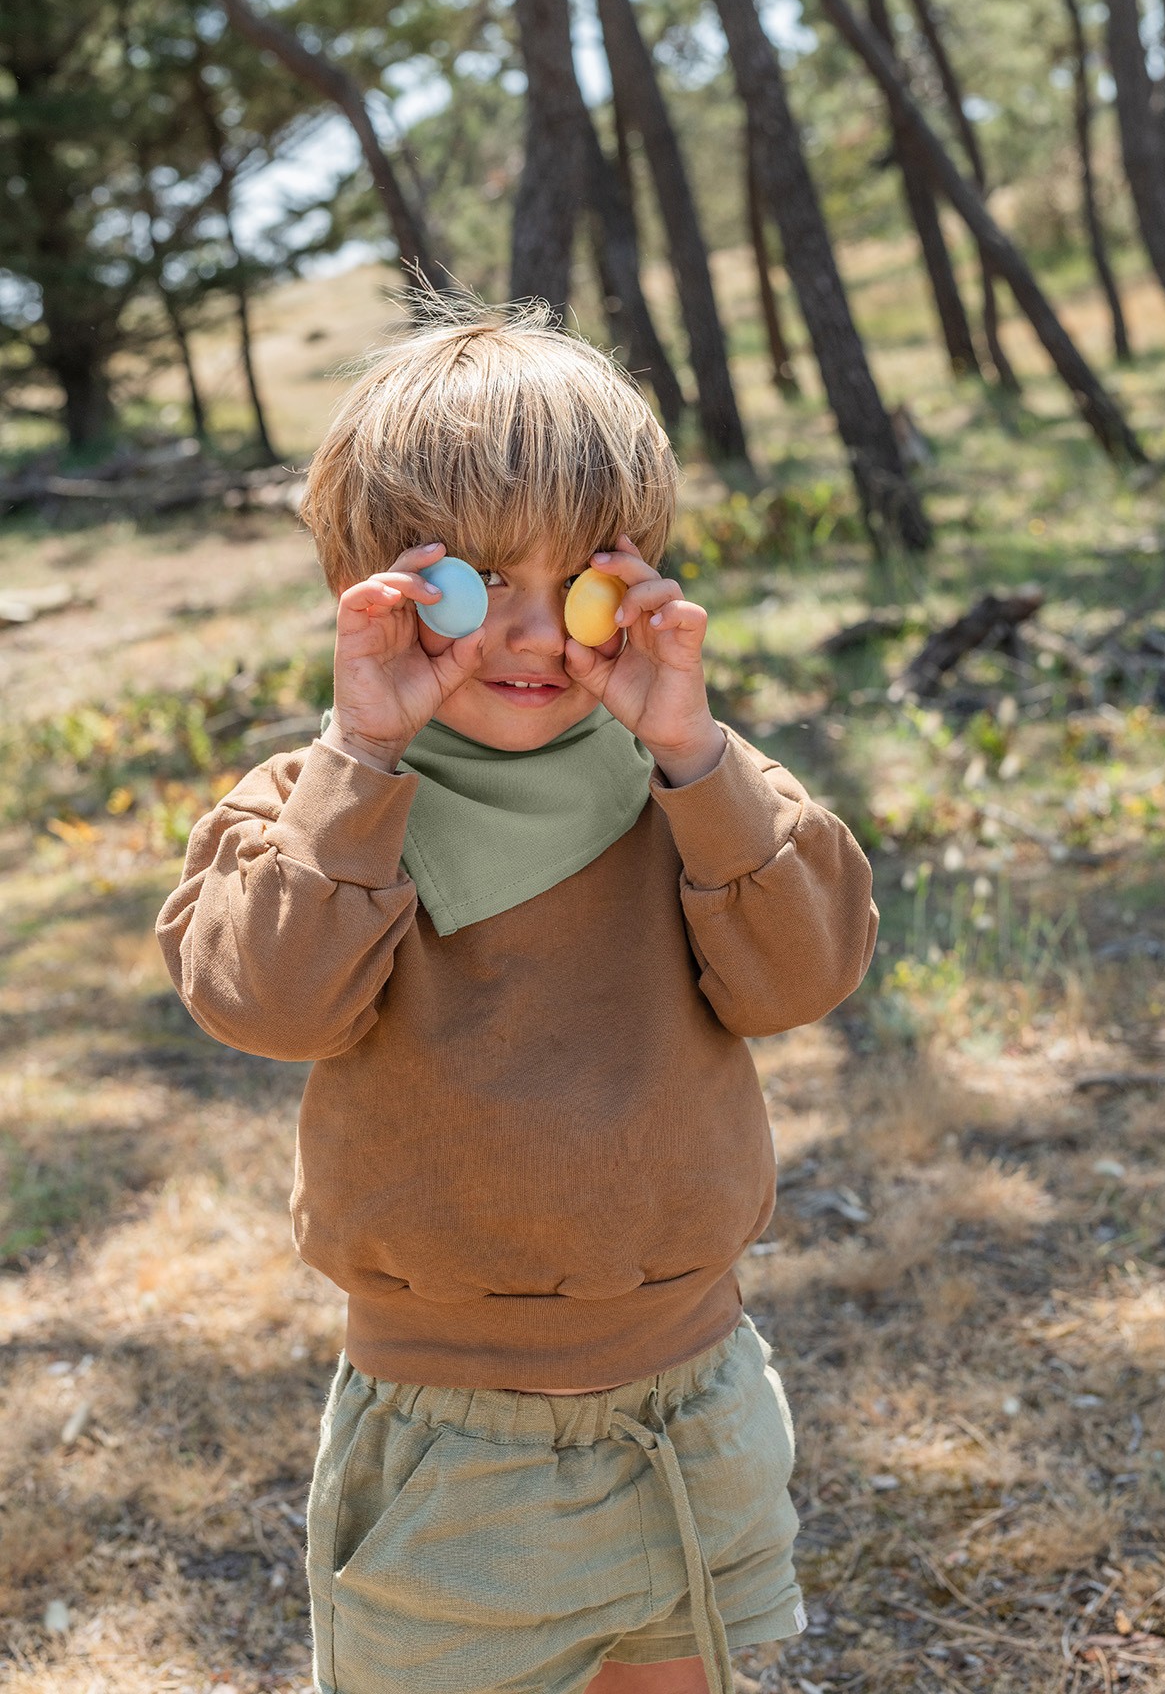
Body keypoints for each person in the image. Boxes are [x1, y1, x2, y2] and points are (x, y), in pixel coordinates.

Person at [155, 301, 879, 1694]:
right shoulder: (318, 811)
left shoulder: (690, 784)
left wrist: (695, 757)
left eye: (589, 583)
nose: (541, 637)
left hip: (698, 1394)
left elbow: (803, 975)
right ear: (375, 587)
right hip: (453, 1440)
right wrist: (363, 763)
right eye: (482, 585)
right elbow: (273, 1004)